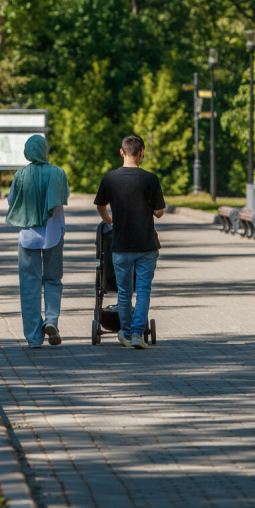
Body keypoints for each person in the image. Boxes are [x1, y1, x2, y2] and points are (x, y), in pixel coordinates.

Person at [94, 135, 166, 349]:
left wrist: (108, 219)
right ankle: (137, 334)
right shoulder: (150, 179)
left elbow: (100, 205)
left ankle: (124, 332)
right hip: (146, 245)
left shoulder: (110, 178)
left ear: (121, 152)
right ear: (142, 152)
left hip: (121, 245)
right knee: (143, 289)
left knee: (124, 291)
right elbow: (159, 212)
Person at [5, 135, 70, 348]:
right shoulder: (58, 173)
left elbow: (11, 201)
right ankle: (51, 320)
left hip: (27, 238)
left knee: (29, 285)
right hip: (53, 235)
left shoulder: (20, 176)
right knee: (53, 280)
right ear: (45, 150)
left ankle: (34, 337)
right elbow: (64, 197)